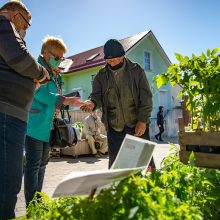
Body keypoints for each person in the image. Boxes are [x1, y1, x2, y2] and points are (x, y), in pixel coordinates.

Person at [0, 1, 50, 219]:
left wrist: (32, 81)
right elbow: (20, 58)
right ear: (13, 14)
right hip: (6, 115)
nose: (26, 28)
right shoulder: (3, 24)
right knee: (8, 181)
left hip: (12, 115)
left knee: (10, 180)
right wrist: (41, 74)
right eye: (26, 23)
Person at [24, 36, 84, 207]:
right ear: (44, 53)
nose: (59, 61)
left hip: (47, 125)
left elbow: (54, 93)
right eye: (56, 57)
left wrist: (57, 78)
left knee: (43, 163)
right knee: (34, 164)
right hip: (35, 124)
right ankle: (31, 205)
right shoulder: (36, 68)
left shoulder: (53, 72)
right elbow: (39, 93)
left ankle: (38, 200)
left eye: (61, 58)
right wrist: (66, 100)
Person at [81, 39, 153, 168]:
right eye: (108, 60)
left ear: (122, 56)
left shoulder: (136, 71)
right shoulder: (101, 76)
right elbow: (96, 96)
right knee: (116, 168)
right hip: (115, 129)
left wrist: (143, 121)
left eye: (113, 59)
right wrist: (92, 103)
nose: (110, 62)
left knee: (144, 165)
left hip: (137, 126)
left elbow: (146, 97)